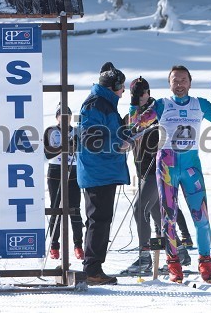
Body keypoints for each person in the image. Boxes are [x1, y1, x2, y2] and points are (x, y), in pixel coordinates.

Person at [129, 66, 211, 283]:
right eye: (175, 80)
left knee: (201, 218)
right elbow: (135, 125)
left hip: (191, 166)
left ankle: (205, 263)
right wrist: (134, 102)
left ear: (190, 82)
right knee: (169, 218)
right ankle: (174, 265)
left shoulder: (200, 104)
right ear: (169, 83)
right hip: (167, 166)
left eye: (183, 80)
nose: (179, 84)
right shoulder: (162, 105)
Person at [122, 77, 191, 275]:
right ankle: (180, 251)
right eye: (135, 94)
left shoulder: (156, 109)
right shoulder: (132, 113)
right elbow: (127, 129)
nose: (139, 97)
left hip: (157, 167)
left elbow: (155, 127)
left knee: (139, 208)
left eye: (141, 93)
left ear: (148, 93)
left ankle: (144, 257)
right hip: (143, 169)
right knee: (155, 213)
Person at [77, 62, 130, 285]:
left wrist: (126, 133)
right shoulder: (96, 104)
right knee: (98, 220)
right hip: (98, 170)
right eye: (121, 87)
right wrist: (118, 144)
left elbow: (107, 133)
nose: (124, 91)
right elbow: (91, 139)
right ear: (112, 87)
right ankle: (91, 269)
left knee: (100, 219)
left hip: (102, 170)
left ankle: (94, 267)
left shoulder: (104, 102)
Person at [43, 103, 84, 260]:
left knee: (75, 209)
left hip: (73, 170)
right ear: (57, 117)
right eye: (62, 115)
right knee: (56, 209)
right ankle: (54, 246)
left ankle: (78, 245)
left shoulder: (77, 131)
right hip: (55, 170)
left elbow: (82, 150)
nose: (65, 118)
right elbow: (47, 153)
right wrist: (65, 146)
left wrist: (75, 145)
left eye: (67, 115)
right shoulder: (51, 131)